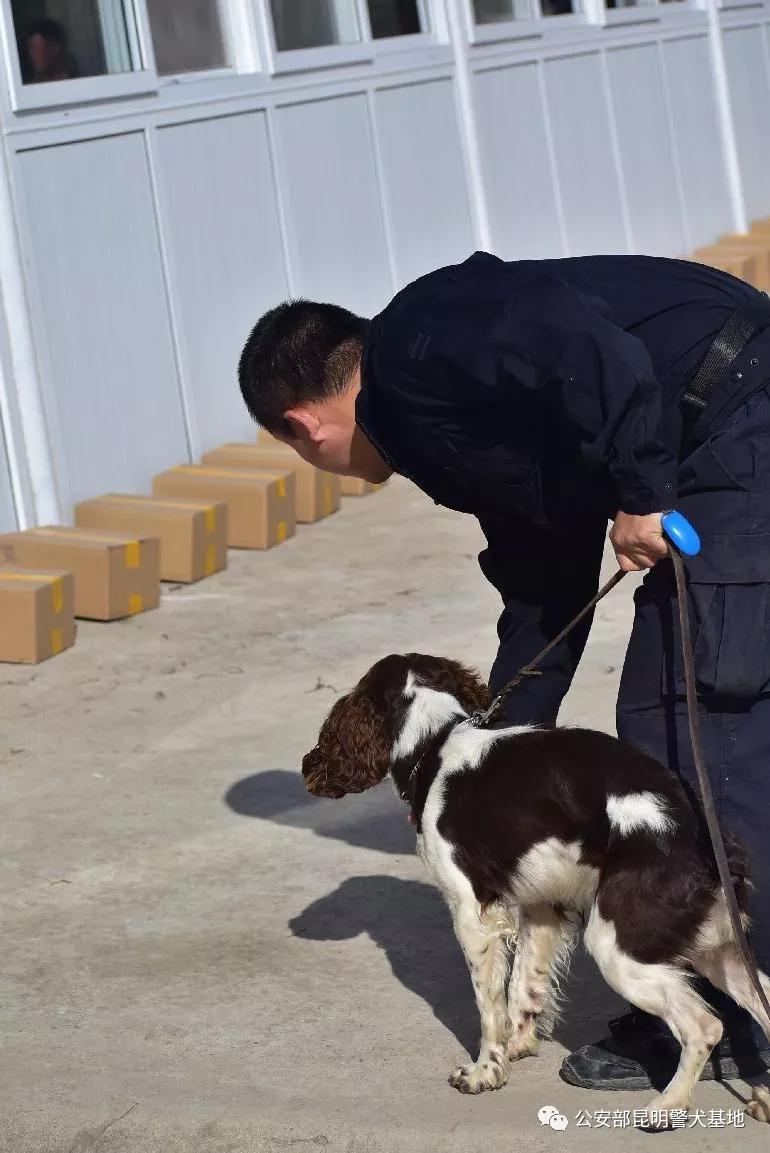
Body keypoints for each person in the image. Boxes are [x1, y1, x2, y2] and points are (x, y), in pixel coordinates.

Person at [238, 251, 770, 1092]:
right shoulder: (433, 413)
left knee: (696, 712)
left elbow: (602, 355)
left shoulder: (424, 340)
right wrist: (506, 724)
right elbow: (542, 557)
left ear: (302, 427)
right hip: (707, 422)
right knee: (660, 717)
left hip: (736, 407)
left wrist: (637, 486)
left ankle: (744, 1013)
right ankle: (701, 973)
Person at [20, 17, 77, 84]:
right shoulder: (32, 87)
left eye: (36, 47)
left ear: (54, 48)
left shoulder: (74, 81)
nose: (32, 54)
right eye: (30, 48)